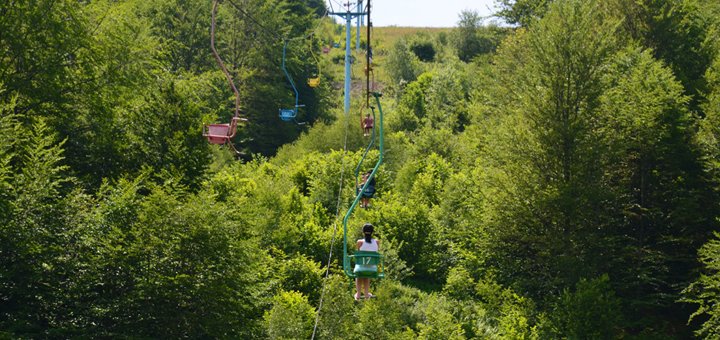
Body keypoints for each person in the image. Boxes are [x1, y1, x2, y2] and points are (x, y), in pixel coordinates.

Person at [355, 223, 380, 301]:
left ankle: (358, 294)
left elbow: (359, 253)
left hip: (361, 267)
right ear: (372, 232)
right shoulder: (377, 242)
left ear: (363, 231)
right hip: (372, 268)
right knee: (367, 271)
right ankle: (366, 294)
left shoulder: (360, 242)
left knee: (360, 270)